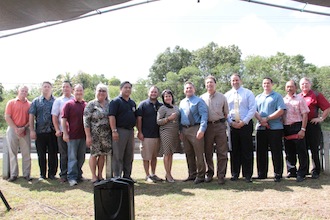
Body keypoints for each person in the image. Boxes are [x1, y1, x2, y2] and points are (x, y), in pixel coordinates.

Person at [225, 74, 256, 183]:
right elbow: (225, 111)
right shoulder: (227, 95)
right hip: (232, 125)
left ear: (240, 81)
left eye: (237, 80)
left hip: (245, 124)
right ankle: (235, 174)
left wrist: (244, 121)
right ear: (231, 82)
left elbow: (252, 109)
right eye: (233, 80)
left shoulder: (248, 93)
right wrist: (230, 122)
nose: (235, 82)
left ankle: (248, 175)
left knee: (247, 150)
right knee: (234, 150)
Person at [255, 77, 286, 182]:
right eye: (264, 83)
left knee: (276, 151)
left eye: (268, 83)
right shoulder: (258, 97)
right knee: (261, 151)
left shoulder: (277, 96)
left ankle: (278, 174)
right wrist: (261, 120)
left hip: (275, 128)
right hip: (261, 128)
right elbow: (254, 111)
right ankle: (262, 173)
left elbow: (281, 110)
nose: (266, 85)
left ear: (272, 84)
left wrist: (267, 118)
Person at [299, 77, 330, 179]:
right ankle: (304, 169)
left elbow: (327, 107)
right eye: (302, 84)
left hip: (313, 125)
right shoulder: (298, 96)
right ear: (300, 86)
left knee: (314, 149)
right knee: (302, 149)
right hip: (301, 125)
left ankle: (316, 170)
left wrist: (321, 118)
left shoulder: (316, 95)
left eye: (306, 83)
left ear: (310, 84)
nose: (304, 86)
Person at [200, 76, 228, 185]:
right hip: (207, 127)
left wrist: (221, 123)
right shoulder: (202, 98)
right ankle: (209, 173)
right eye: (207, 83)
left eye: (211, 82)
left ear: (215, 84)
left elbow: (226, 113)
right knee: (208, 151)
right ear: (205, 85)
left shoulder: (222, 97)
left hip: (220, 126)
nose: (209, 85)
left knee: (222, 152)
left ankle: (221, 175)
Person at [179, 81, 208, 184]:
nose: (188, 90)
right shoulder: (182, 102)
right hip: (184, 129)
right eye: (186, 88)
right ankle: (192, 174)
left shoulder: (199, 101)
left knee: (198, 153)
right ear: (184, 90)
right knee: (188, 153)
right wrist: (180, 131)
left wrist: (202, 129)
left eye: (190, 88)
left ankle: (201, 176)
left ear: (194, 89)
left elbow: (204, 115)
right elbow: (180, 117)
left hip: (196, 128)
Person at [83, 83, 112, 183]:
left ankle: (100, 174)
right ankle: (94, 176)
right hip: (94, 135)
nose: (101, 93)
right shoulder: (91, 104)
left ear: (106, 93)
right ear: (96, 92)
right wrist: (88, 136)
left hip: (106, 135)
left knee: (103, 155)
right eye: (99, 90)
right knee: (94, 155)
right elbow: (86, 121)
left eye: (103, 91)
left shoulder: (110, 104)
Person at [29, 81, 57, 181]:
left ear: (51, 88)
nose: (46, 88)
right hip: (40, 132)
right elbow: (31, 116)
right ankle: (42, 174)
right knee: (41, 154)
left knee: (52, 154)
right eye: (44, 86)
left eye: (48, 87)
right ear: (41, 88)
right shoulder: (36, 101)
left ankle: (52, 174)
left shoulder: (56, 101)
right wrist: (32, 130)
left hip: (52, 132)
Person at [109, 81, 137, 181]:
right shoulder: (115, 102)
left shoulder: (132, 103)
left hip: (130, 132)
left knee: (129, 155)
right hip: (119, 131)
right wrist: (114, 130)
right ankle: (117, 176)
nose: (128, 89)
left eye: (129, 88)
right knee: (118, 155)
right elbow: (111, 116)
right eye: (125, 87)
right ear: (121, 89)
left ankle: (127, 176)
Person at [283, 80, 309, 182]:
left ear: (295, 88)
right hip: (286, 127)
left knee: (301, 151)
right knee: (289, 151)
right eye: (287, 87)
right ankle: (291, 171)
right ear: (285, 88)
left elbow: (305, 114)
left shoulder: (300, 99)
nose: (289, 88)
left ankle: (302, 173)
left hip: (297, 126)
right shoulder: (283, 100)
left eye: (291, 86)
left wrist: (303, 129)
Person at [5, 86, 32, 182]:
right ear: (18, 91)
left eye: (26, 91)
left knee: (27, 153)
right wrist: (16, 128)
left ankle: (27, 174)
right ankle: (13, 174)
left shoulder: (30, 104)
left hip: (25, 129)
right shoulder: (11, 103)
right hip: (13, 129)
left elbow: (31, 119)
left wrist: (23, 128)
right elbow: (7, 117)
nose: (24, 92)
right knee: (13, 153)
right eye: (22, 91)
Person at [137, 86, 163, 183]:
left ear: (158, 93)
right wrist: (139, 132)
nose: (153, 93)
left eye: (155, 92)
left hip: (157, 135)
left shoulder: (160, 105)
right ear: (149, 93)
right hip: (146, 136)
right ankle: (147, 175)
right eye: (152, 92)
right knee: (146, 157)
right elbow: (138, 119)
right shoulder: (143, 105)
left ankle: (153, 174)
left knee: (154, 157)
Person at [62, 84, 87, 186]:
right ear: (73, 91)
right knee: (72, 158)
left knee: (81, 157)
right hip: (72, 136)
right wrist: (65, 133)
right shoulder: (68, 104)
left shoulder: (86, 105)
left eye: (80, 90)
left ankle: (78, 175)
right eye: (77, 91)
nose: (79, 92)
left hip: (83, 136)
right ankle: (71, 177)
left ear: (83, 92)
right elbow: (63, 120)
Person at [51, 80, 74, 183]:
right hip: (62, 132)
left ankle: (75, 174)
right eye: (63, 87)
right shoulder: (58, 101)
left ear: (71, 88)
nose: (65, 88)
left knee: (73, 154)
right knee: (64, 154)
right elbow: (55, 116)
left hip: (74, 133)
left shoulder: (75, 99)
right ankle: (63, 174)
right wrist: (57, 129)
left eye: (67, 87)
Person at [157, 89, 181, 183]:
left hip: (175, 132)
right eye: (166, 96)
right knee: (167, 153)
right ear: (163, 98)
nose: (168, 98)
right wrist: (168, 119)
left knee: (171, 154)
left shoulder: (176, 107)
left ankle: (169, 174)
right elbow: (158, 121)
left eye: (169, 96)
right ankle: (168, 174)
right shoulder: (162, 108)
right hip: (166, 132)